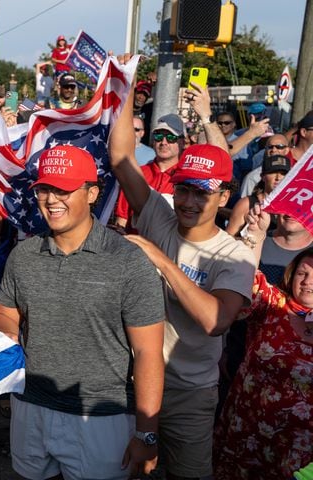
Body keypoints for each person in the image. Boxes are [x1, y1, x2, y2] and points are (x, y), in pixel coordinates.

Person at [108, 59, 257, 479]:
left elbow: (216, 321)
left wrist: (161, 261)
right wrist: (125, 87)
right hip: (133, 381)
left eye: (201, 194)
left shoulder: (234, 254)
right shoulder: (159, 213)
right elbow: (121, 156)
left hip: (190, 394)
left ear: (224, 194)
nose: (189, 203)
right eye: (183, 190)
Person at [0, 145, 165, 479]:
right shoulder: (23, 255)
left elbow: (148, 352)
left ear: (93, 193)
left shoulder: (128, 261)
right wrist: (5, 332)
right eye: (44, 189)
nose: (51, 200)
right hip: (30, 408)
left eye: (64, 189)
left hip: (100, 417)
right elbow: (5, 313)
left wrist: (146, 433)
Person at [213, 205, 313, 479]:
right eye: (303, 273)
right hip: (246, 434)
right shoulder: (274, 304)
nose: (307, 282)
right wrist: (256, 234)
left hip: (298, 452)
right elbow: (247, 279)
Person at [114, 113, 185, 229]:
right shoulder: (136, 174)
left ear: (182, 143)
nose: (164, 142)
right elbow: (122, 219)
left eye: (171, 137)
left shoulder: (186, 179)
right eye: (158, 136)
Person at [226, 154, 290, 236]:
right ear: (262, 176)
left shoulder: (293, 205)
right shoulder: (246, 204)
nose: (278, 177)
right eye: (272, 172)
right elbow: (229, 239)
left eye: (283, 173)